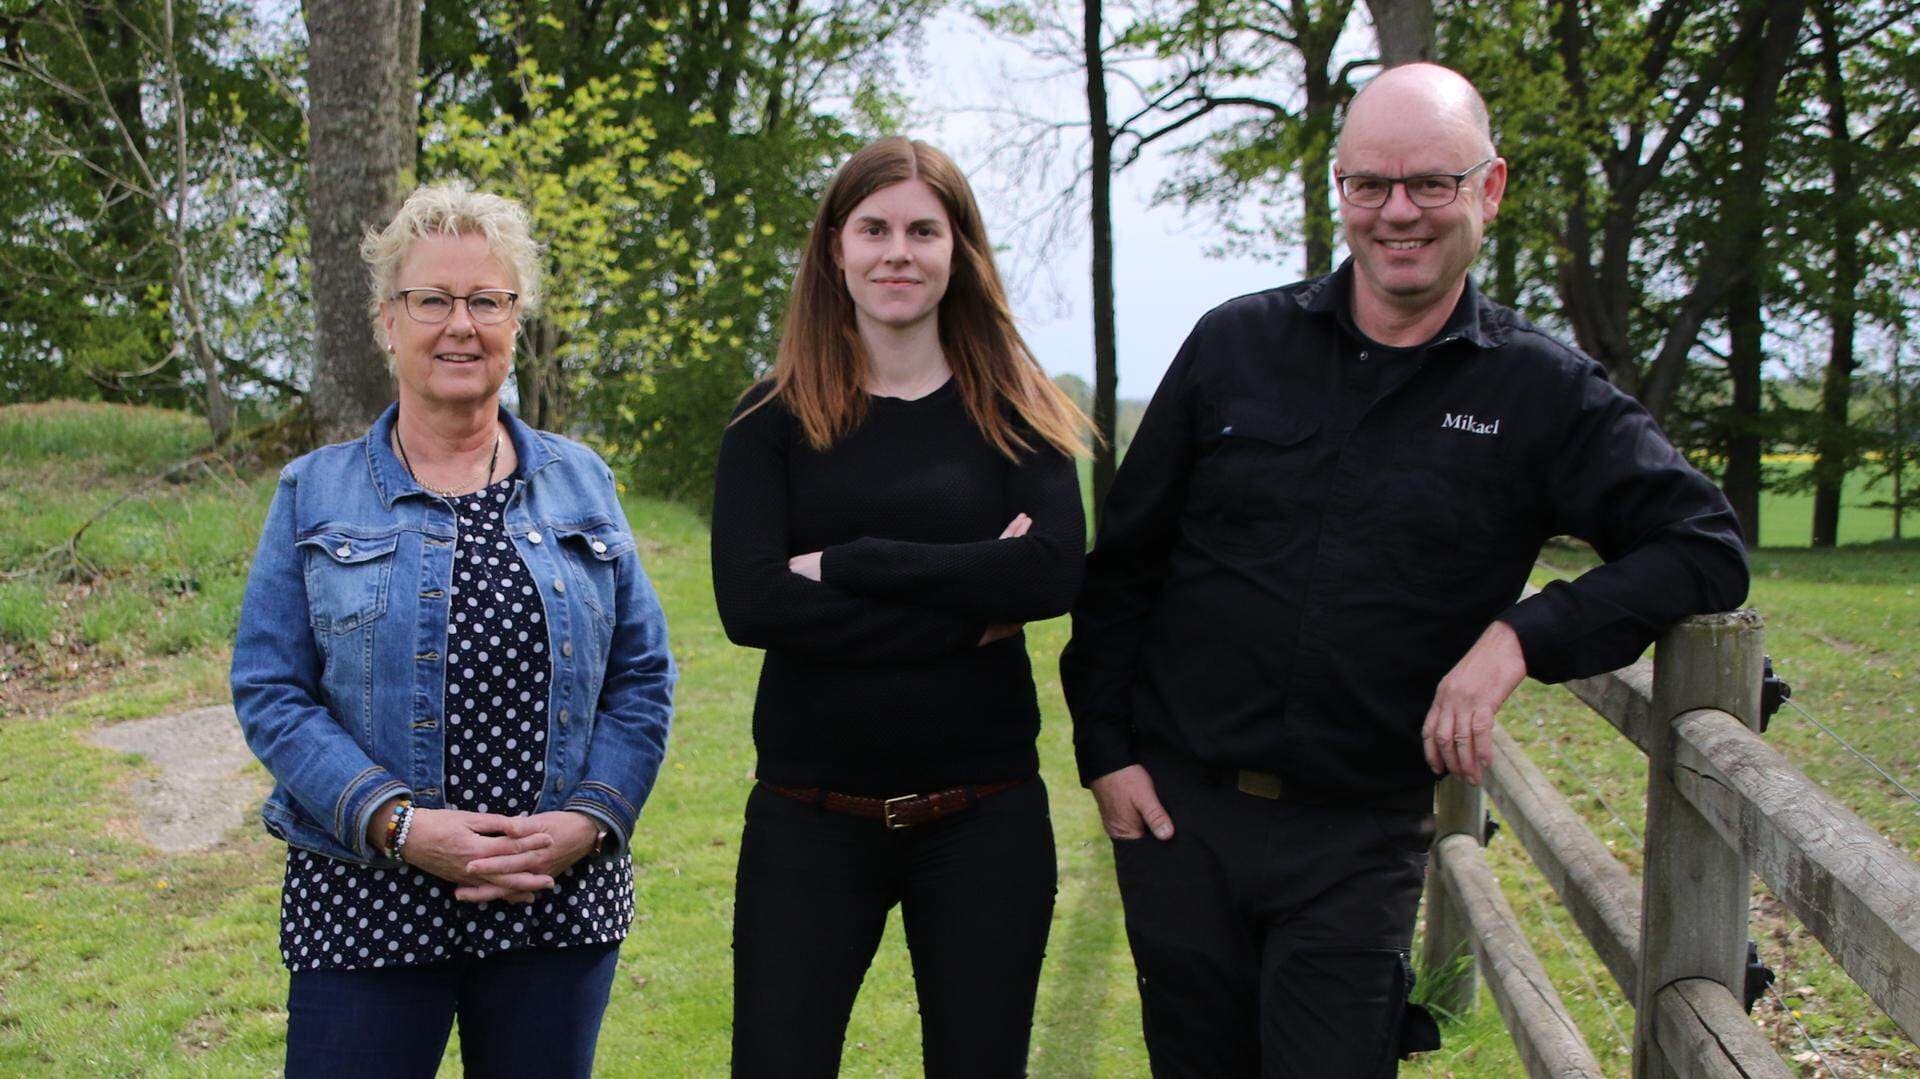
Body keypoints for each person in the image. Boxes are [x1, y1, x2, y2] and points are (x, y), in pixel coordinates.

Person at [1060, 63, 1750, 1077]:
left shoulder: (1540, 391)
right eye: (1369, 185)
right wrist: (1105, 751)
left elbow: (1705, 544)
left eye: (1432, 183)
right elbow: (1126, 563)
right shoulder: (1234, 344)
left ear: (1491, 188)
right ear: (1339, 189)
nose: (1399, 213)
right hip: (1182, 816)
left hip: (1357, 831)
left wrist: (1521, 635)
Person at [230, 183, 675, 1078]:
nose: (460, 324)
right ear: (389, 321)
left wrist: (591, 817)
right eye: (432, 299)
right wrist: (400, 824)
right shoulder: (314, 492)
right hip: (366, 899)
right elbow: (271, 691)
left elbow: (642, 675)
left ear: (518, 321)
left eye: (487, 300)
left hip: (554, 899)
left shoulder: (582, 480)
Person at [711, 136, 1089, 1078]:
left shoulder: (1018, 410)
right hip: (809, 816)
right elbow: (753, 602)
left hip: (983, 818)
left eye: (924, 230)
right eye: (874, 228)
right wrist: (969, 606)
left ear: (958, 248)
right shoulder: (772, 421)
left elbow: (1048, 576)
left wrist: (847, 561)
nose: (898, 253)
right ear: (835, 247)